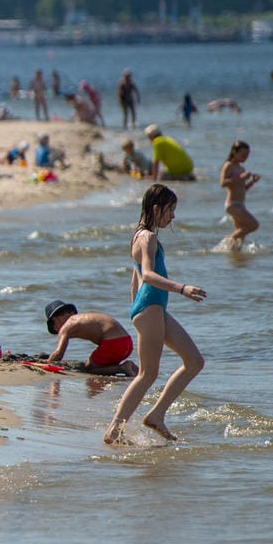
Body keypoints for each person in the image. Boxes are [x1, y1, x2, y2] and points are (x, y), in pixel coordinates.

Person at [103, 185, 206, 443]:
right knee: (147, 373)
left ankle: (157, 415)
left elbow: (134, 278)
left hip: (151, 309)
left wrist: (135, 309)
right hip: (150, 309)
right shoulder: (147, 237)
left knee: (194, 361)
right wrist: (182, 289)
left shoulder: (140, 236)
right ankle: (114, 429)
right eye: (170, 210)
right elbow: (148, 274)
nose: (172, 216)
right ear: (156, 208)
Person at [44, 300, 137, 377]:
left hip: (113, 343)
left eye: (54, 327)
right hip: (127, 342)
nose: (57, 331)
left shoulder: (67, 326)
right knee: (102, 364)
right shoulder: (81, 318)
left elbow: (58, 353)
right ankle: (132, 368)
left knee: (90, 368)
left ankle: (122, 368)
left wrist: (47, 365)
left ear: (55, 319)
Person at [220, 141, 261, 249]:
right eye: (243, 155)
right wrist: (241, 177)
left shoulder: (241, 168)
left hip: (241, 204)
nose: (245, 158)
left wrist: (252, 182)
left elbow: (243, 189)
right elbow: (223, 183)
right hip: (232, 204)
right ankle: (227, 240)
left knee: (240, 237)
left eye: (247, 156)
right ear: (234, 152)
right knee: (253, 225)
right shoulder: (228, 165)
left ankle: (235, 259)